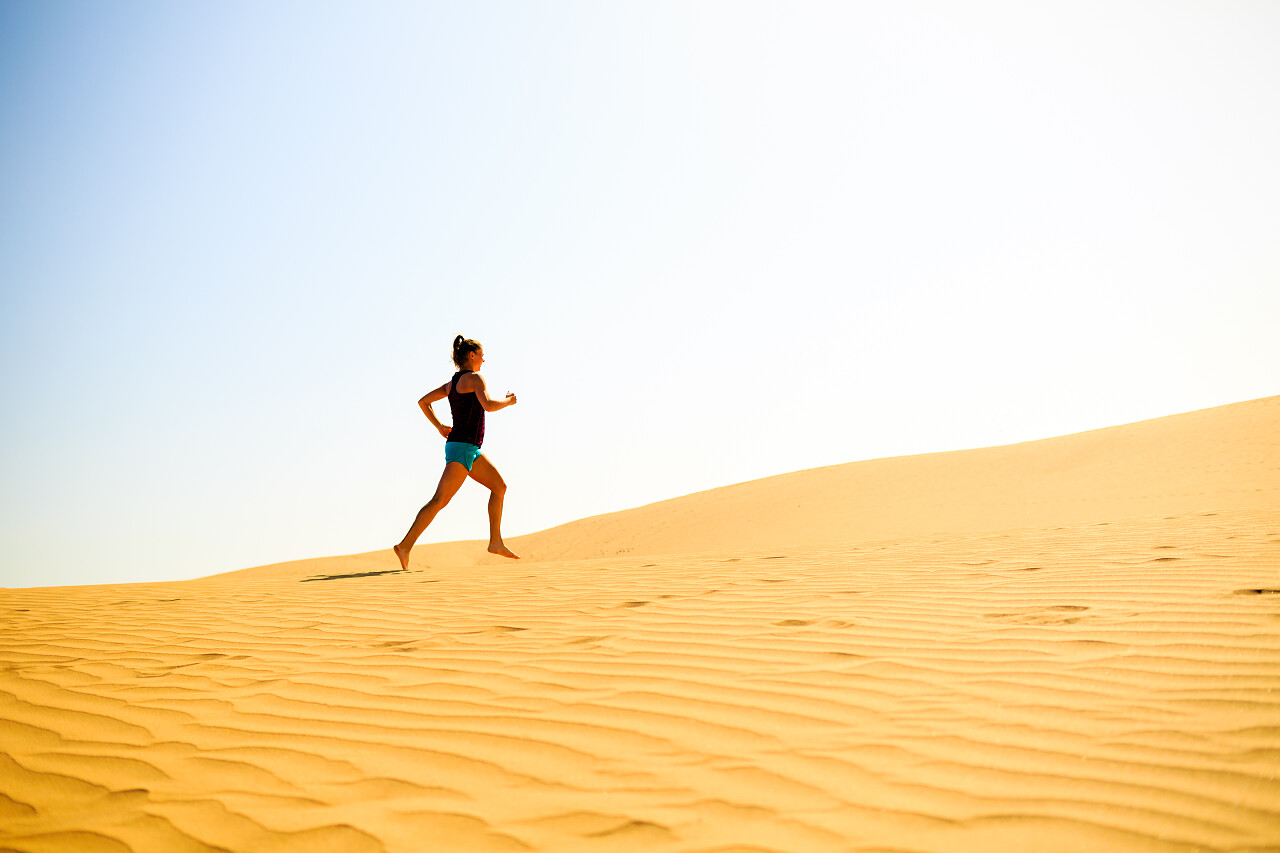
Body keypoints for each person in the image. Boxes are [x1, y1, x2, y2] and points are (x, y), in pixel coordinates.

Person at [394, 335, 519, 570]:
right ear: (471, 356)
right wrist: (509, 401)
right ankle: (404, 546)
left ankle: (495, 541)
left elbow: (423, 402)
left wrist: (439, 426)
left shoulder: (451, 384)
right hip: (462, 447)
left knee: (499, 487)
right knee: (439, 500)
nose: (484, 359)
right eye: (481, 354)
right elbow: (489, 405)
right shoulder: (474, 378)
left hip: (468, 448)